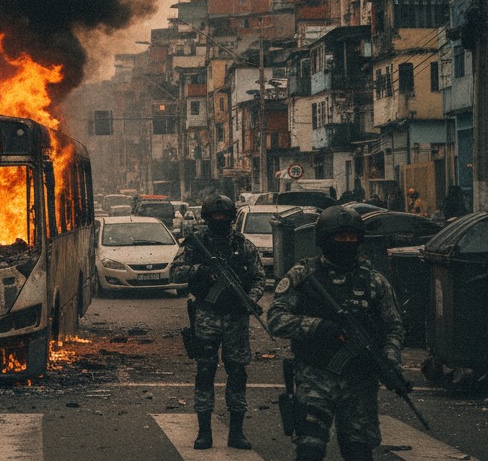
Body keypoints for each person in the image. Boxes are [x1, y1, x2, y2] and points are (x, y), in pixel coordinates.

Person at [267, 206, 405, 461]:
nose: (347, 243)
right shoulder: (303, 276)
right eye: (340, 237)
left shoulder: (374, 282)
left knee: (359, 451)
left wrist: (389, 359)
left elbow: (393, 327)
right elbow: (276, 320)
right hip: (314, 376)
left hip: (359, 380)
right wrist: (319, 327)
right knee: (309, 449)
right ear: (324, 239)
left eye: (352, 238)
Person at [170, 194, 265, 450]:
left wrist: (251, 298)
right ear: (207, 218)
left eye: (224, 216)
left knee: (237, 373)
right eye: (215, 216)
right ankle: (204, 432)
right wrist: (201, 270)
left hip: (236, 319)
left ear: (231, 217)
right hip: (206, 316)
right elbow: (175, 271)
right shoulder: (196, 244)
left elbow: (258, 277)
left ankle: (236, 432)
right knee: (205, 372)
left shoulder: (243, 245)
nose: (220, 220)